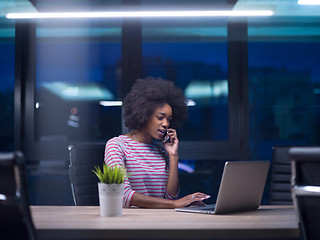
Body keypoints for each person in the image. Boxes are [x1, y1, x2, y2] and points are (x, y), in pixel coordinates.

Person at [104, 77, 210, 208]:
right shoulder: (116, 146)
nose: (166, 124)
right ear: (144, 113)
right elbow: (122, 195)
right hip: (131, 223)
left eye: (169, 119)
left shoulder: (161, 151)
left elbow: (170, 197)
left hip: (161, 220)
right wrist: (173, 204)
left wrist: (173, 155)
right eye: (160, 117)